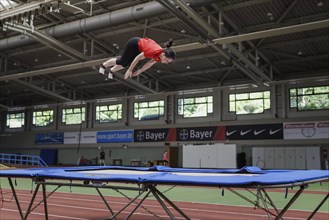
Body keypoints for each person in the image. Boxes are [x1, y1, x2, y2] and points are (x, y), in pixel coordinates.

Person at [99, 37, 176, 79]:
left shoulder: (160, 56)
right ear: (163, 55)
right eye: (166, 60)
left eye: (168, 61)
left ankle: (111, 70)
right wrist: (130, 70)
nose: (166, 62)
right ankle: (103, 65)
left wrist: (140, 71)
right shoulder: (153, 51)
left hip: (140, 48)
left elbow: (149, 63)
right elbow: (138, 58)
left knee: (126, 63)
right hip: (134, 44)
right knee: (122, 61)